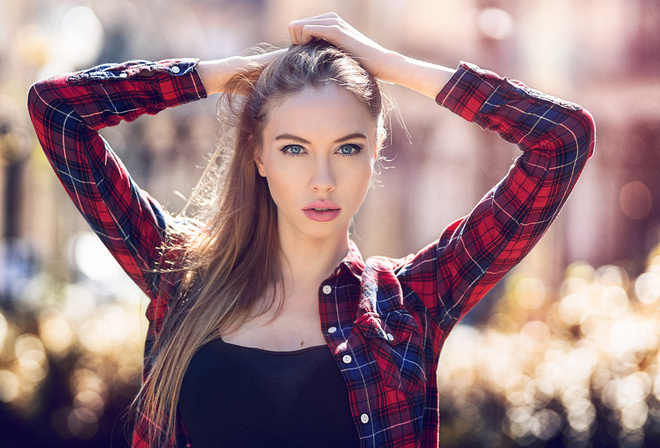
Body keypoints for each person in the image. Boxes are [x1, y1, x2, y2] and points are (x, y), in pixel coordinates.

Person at [27, 12, 595, 448]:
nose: (322, 180)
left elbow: (561, 139)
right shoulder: (182, 275)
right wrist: (229, 74)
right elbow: (57, 112)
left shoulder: (414, 300)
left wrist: (386, 64)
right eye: (294, 148)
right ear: (259, 156)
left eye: (347, 148)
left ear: (375, 154)